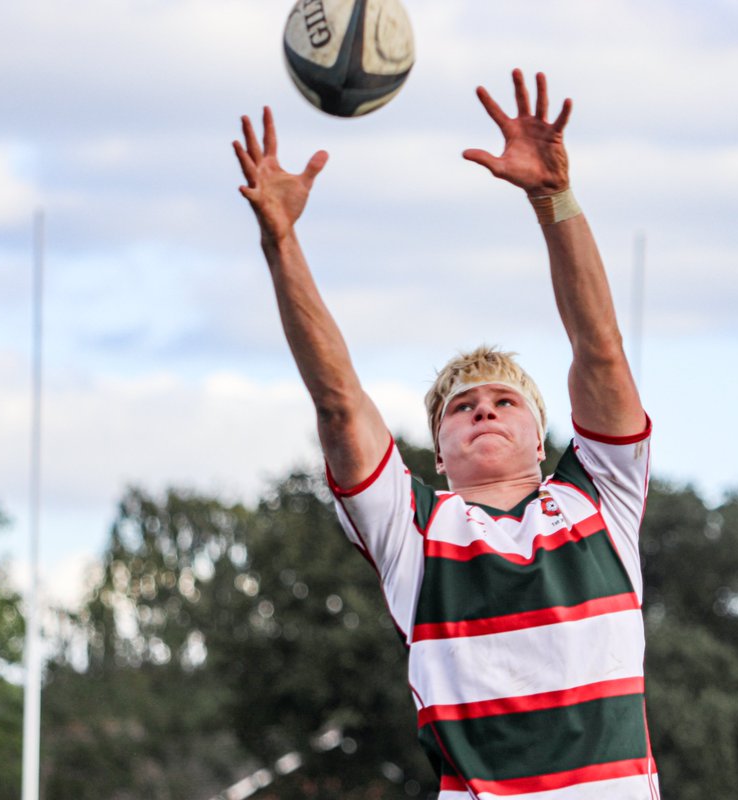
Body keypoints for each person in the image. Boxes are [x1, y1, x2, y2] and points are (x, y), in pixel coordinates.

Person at [234, 69, 659, 799]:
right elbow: (338, 401)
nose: (485, 410)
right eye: (463, 407)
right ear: (438, 452)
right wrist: (282, 242)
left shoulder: (603, 496)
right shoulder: (416, 530)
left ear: (541, 437)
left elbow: (601, 350)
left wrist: (553, 197)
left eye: (504, 402)